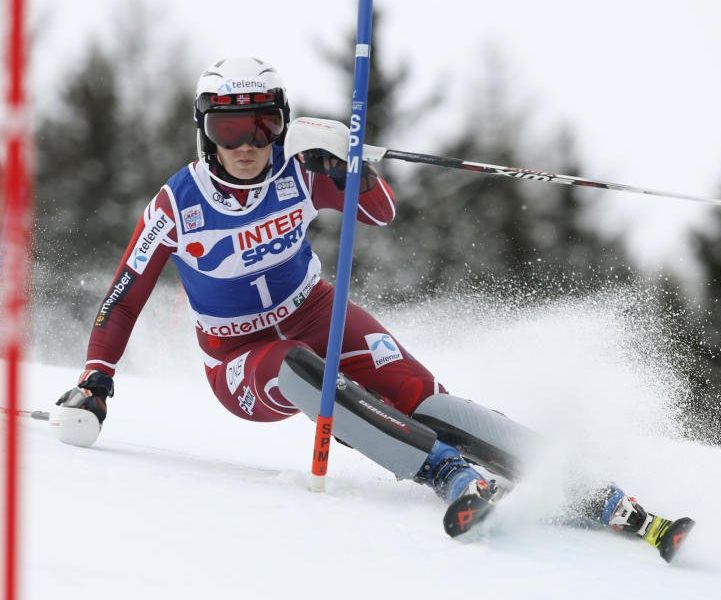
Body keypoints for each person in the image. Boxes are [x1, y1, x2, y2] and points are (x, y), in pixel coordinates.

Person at [57, 57, 689, 549]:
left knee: (427, 400)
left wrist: (344, 166)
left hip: (317, 309)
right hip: (241, 358)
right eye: (229, 127)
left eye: (262, 124)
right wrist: (95, 379)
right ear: (205, 132)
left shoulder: (299, 171)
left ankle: (598, 494)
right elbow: (124, 295)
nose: (247, 143)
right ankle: (445, 473)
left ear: (281, 122)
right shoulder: (178, 204)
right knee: (298, 366)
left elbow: (378, 213)